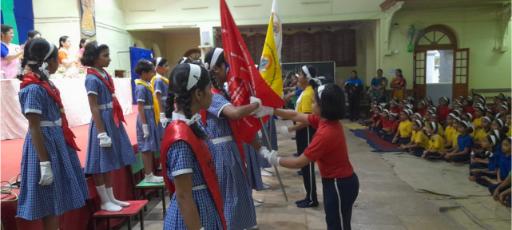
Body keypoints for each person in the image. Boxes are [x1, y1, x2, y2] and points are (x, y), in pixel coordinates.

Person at [262, 83, 359, 230]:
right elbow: (295, 115)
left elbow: (298, 162)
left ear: (323, 107)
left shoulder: (325, 134)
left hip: (339, 184)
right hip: (336, 182)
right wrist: (268, 110)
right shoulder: (324, 120)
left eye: (314, 102)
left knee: (337, 225)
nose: (312, 104)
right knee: (335, 222)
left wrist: (273, 158)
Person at [16, 38, 88, 229]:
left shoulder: (45, 83)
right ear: (47, 61)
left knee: (57, 197)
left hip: (55, 141)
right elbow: (34, 127)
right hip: (45, 146)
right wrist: (44, 162)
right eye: (56, 58)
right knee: (50, 200)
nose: (58, 63)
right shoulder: (33, 88)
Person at [161, 63, 226, 230]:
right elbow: (183, 195)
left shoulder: (192, 124)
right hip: (194, 213)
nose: (211, 93)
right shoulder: (181, 139)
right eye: (209, 88)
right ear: (198, 94)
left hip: (203, 205)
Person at [203, 47, 261, 229]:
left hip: (229, 150)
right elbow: (234, 114)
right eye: (226, 66)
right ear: (217, 69)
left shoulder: (220, 94)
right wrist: (255, 105)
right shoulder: (212, 96)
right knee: (230, 197)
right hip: (222, 153)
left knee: (238, 194)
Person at [82, 41, 136, 211]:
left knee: (110, 161)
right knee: (100, 162)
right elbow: (93, 106)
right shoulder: (91, 78)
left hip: (111, 119)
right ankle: (104, 200)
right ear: (94, 58)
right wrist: (101, 133)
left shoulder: (103, 74)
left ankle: (112, 197)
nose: (109, 59)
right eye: (105, 56)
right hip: (102, 122)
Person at [285, 65, 321, 208]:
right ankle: (308, 195)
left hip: (306, 132)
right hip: (302, 133)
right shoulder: (305, 91)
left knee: (307, 165)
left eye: (300, 74)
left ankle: (312, 198)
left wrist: (290, 128)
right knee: (305, 166)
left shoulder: (307, 94)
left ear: (306, 78)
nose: (297, 77)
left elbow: (307, 120)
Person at [134, 59, 164, 183]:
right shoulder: (141, 87)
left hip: (150, 115)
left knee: (150, 146)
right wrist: (145, 125)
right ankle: (148, 174)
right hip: (145, 117)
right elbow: (140, 106)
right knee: (146, 147)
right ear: (144, 73)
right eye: (151, 71)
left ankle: (151, 173)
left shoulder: (147, 84)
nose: (153, 73)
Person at [151, 57, 171, 128]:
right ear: (158, 68)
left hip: (166, 105)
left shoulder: (164, 79)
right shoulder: (158, 80)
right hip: (162, 107)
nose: (168, 67)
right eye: (166, 66)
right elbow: (158, 97)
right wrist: (161, 113)